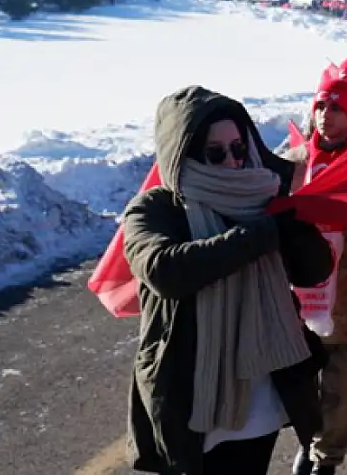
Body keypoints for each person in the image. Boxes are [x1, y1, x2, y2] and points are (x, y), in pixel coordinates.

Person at [123, 86, 334, 475]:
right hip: (191, 397)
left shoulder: (263, 193)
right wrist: (262, 233)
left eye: (239, 148)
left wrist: (296, 223)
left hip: (261, 396)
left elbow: (314, 271)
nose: (233, 162)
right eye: (215, 153)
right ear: (181, 155)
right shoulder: (155, 208)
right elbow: (164, 270)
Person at [284, 79, 347, 475]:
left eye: (337, 108)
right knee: (303, 391)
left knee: (343, 390)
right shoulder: (294, 163)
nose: (326, 116)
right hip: (301, 302)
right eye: (320, 107)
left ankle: (326, 459)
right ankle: (309, 442)